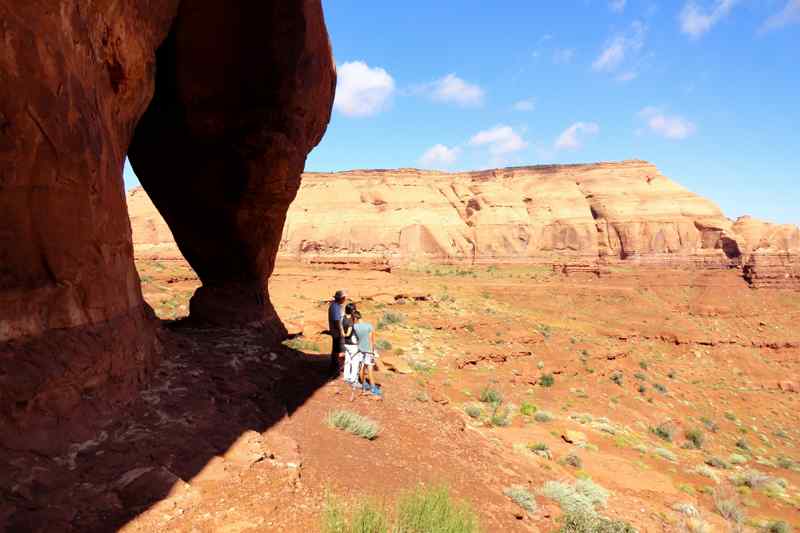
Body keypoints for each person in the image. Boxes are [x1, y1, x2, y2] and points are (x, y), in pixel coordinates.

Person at [352, 310, 381, 397]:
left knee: (362, 368)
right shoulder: (369, 326)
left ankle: (364, 384)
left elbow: (356, 339)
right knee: (370, 369)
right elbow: (371, 340)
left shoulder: (354, 327)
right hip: (368, 350)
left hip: (360, 350)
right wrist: (372, 352)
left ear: (355, 318)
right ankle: (373, 388)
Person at [327, 289, 347, 377]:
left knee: (336, 350)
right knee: (340, 351)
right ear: (341, 298)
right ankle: (337, 369)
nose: (345, 299)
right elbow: (337, 321)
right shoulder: (335, 307)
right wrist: (341, 331)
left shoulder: (336, 305)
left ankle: (334, 367)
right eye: (344, 297)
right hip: (337, 332)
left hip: (336, 332)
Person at [341, 303, 362, 388]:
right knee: (355, 362)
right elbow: (348, 334)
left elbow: (341, 329)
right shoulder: (351, 321)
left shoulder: (343, 318)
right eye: (354, 309)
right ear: (352, 310)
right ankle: (353, 380)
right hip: (352, 344)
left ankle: (346, 377)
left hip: (346, 343)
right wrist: (346, 334)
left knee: (347, 360)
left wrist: (343, 333)